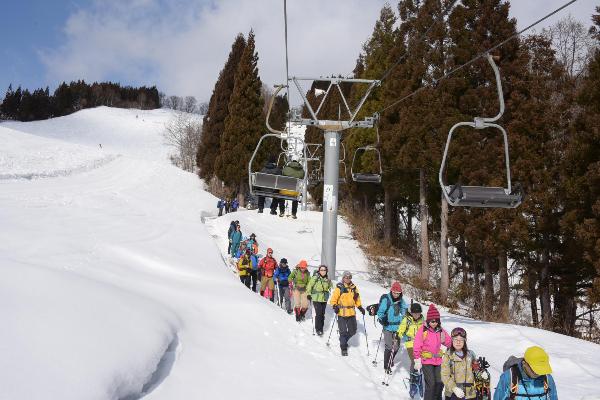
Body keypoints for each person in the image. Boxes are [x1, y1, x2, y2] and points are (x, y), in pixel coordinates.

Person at [413, 303, 451, 400]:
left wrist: (456, 347)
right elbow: (417, 344)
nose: (434, 323)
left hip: (438, 360)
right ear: (428, 320)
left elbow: (448, 341)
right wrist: (417, 359)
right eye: (432, 321)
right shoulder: (423, 330)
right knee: (431, 383)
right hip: (427, 360)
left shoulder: (440, 331)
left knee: (440, 382)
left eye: (436, 321)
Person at [493, 346, 557, 400]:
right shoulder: (509, 377)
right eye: (535, 370)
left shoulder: (547, 378)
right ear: (524, 364)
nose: (538, 373)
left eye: (541, 369)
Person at [329, 271, 365, 356]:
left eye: (349, 277)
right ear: (343, 278)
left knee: (353, 331)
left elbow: (357, 299)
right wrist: (335, 306)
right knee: (343, 331)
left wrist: (360, 307)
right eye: (346, 277)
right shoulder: (339, 287)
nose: (348, 279)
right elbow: (333, 299)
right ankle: (343, 347)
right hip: (341, 313)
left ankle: (343, 340)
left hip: (351, 313)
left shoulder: (354, 288)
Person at [376, 281, 408, 373]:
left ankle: (391, 359)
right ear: (391, 291)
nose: (396, 295)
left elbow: (404, 312)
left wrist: (405, 320)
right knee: (389, 346)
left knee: (397, 347)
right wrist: (383, 319)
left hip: (398, 327)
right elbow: (380, 312)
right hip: (388, 327)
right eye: (394, 292)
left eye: (398, 293)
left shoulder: (401, 301)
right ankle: (386, 366)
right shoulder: (387, 300)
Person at [441, 327, 478, 400]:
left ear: (465, 341)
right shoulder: (448, 356)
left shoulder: (471, 354)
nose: (458, 342)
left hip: (470, 394)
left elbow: (475, 371)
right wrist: (454, 388)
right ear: (452, 340)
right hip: (453, 394)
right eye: (456, 340)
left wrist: (479, 370)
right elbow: (444, 375)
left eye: (461, 340)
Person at [397, 302, 424, 391]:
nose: (416, 315)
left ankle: (419, 375)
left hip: (421, 343)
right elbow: (401, 329)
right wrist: (398, 335)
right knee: (414, 360)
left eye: (418, 313)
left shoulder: (422, 320)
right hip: (410, 343)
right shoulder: (407, 320)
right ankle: (413, 377)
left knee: (422, 359)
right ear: (411, 313)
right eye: (414, 313)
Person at [306, 264, 332, 335]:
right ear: (319, 271)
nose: (323, 271)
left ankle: (321, 328)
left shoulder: (327, 279)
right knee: (319, 313)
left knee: (322, 314)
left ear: (326, 271)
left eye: (324, 270)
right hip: (316, 298)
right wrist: (308, 294)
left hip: (324, 298)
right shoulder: (315, 277)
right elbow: (309, 286)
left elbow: (331, 286)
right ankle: (318, 329)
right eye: (321, 270)